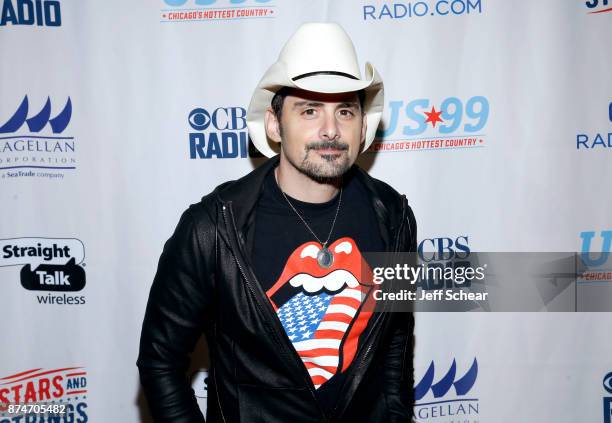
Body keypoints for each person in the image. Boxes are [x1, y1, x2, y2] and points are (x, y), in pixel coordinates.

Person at [137, 22, 417, 423]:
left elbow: (395, 340)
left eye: (345, 110)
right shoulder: (213, 228)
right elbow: (160, 362)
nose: (331, 130)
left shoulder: (394, 216)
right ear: (274, 124)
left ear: (363, 126)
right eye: (309, 110)